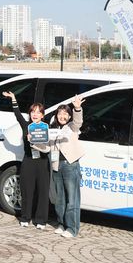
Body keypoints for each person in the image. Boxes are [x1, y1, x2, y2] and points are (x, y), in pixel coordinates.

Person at [3, 91, 51, 229]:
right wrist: (13, 99)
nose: (35, 114)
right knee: (27, 191)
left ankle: (41, 220)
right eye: (32, 112)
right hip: (29, 161)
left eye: (38, 112)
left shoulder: (46, 128)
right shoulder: (26, 126)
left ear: (42, 115)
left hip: (42, 162)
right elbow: (17, 115)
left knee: (42, 192)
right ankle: (25, 217)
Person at [50, 96, 85, 238]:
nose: (62, 116)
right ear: (56, 115)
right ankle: (61, 224)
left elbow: (78, 121)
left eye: (65, 114)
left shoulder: (72, 127)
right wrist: (33, 142)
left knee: (72, 199)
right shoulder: (52, 129)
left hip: (70, 165)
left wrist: (77, 108)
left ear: (69, 116)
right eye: (60, 113)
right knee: (59, 199)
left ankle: (72, 228)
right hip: (57, 166)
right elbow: (47, 148)